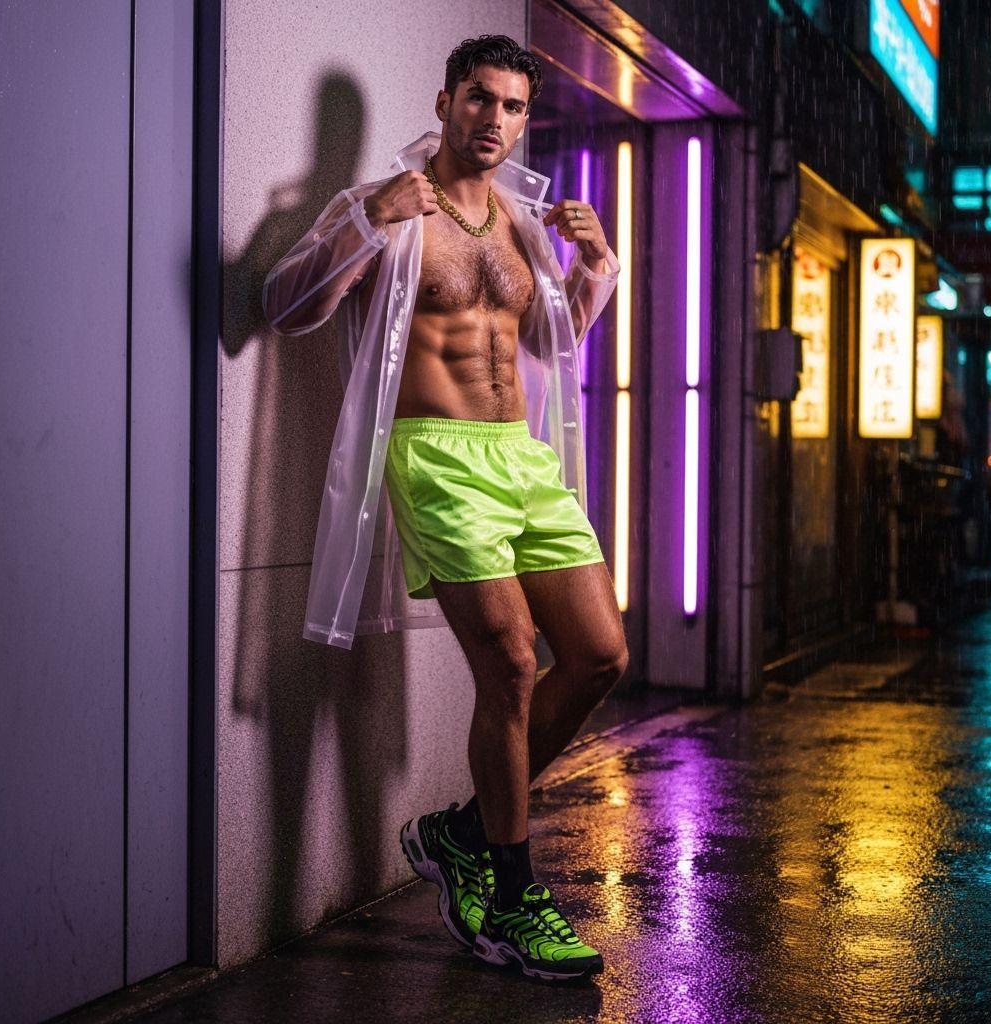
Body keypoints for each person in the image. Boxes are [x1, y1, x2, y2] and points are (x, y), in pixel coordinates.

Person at [264, 34, 627, 981]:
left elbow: (548, 347)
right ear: (442, 100)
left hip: (524, 458)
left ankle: (461, 835)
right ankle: (512, 901)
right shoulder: (389, 206)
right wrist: (366, 223)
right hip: (436, 459)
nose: (495, 121)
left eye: (512, 106)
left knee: (598, 655)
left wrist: (597, 270)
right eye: (479, 98)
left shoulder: (523, 220)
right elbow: (282, 303)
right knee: (509, 661)